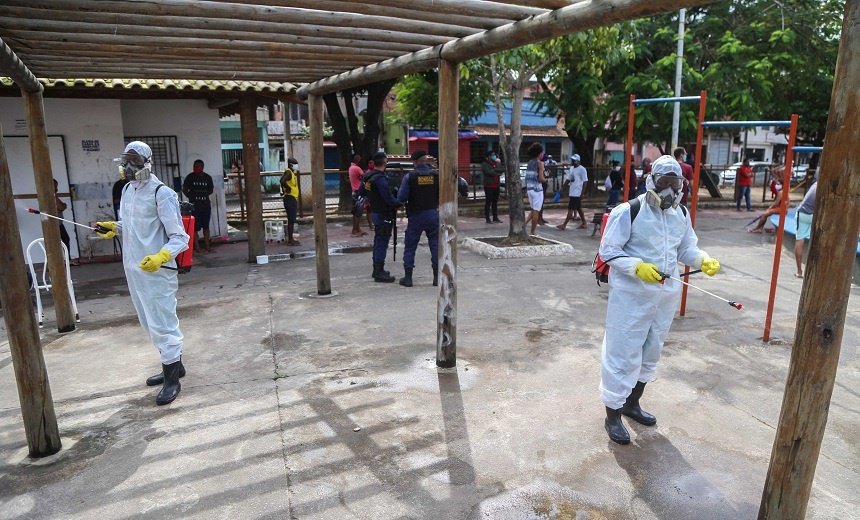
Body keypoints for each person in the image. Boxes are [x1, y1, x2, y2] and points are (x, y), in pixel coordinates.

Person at [598, 155, 721, 445]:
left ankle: (632, 403)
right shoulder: (629, 210)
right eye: (664, 182)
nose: (669, 190)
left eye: (674, 183)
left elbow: (686, 248)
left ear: (681, 185)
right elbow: (608, 251)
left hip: (664, 297)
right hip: (631, 297)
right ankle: (612, 414)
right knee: (622, 352)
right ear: (651, 181)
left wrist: (702, 259)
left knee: (651, 349)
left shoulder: (680, 215)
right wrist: (636, 266)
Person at [95, 141, 190, 406]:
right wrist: (114, 227)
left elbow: (180, 238)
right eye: (125, 161)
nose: (127, 167)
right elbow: (132, 225)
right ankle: (174, 366)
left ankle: (172, 380)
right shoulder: (127, 190)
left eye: (133, 161)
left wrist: (161, 256)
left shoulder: (163, 193)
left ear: (146, 163)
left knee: (162, 323)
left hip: (158, 271)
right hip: (134, 269)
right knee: (148, 322)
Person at [397, 150, 439, 287]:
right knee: (435, 246)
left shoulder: (410, 177)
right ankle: (436, 277)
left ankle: (408, 278)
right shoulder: (436, 175)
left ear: (414, 161)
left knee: (410, 246)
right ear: (425, 160)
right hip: (433, 214)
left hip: (416, 216)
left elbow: (402, 198)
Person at [358, 151, 400, 283]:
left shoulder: (367, 176)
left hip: (375, 213)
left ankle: (377, 269)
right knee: (382, 242)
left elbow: (361, 192)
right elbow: (387, 197)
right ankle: (378, 272)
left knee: (378, 241)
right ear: (385, 162)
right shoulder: (380, 179)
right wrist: (398, 203)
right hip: (383, 213)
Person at [182, 159, 214, 252]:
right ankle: (197, 247)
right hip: (195, 207)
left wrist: (203, 195)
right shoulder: (190, 177)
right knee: (195, 228)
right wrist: (192, 197)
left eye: (197, 166)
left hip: (205, 206)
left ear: (202, 167)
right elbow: (185, 189)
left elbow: (211, 190)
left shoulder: (207, 178)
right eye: (194, 166)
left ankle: (207, 246)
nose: (195, 168)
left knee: (206, 227)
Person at [556, 154, 588, 230]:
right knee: (579, 208)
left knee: (571, 208)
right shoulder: (572, 169)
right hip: (572, 191)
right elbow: (568, 179)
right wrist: (562, 188)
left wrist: (582, 193)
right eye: (572, 160)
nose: (572, 161)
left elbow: (585, 181)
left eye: (574, 160)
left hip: (577, 192)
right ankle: (584, 223)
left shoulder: (582, 169)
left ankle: (564, 225)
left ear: (578, 161)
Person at [794, 178, 817, 278]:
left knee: (800, 240)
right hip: (814, 215)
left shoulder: (815, 185)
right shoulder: (826, 187)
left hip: (803, 214)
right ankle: (814, 270)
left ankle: (799, 271)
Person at [53, 178, 79, 266]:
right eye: (55, 187)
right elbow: (61, 207)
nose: (57, 189)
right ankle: (63, 260)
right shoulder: (51, 196)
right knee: (62, 241)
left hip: (59, 223)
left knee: (65, 240)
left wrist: (63, 206)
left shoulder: (54, 196)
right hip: (55, 224)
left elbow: (62, 206)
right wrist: (63, 206)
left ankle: (66, 259)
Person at [523, 143, 547, 236]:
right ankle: (533, 232)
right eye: (542, 153)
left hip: (530, 189)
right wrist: (546, 179)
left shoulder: (529, 162)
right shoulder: (540, 163)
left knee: (533, 210)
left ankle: (524, 225)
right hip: (537, 190)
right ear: (539, 153)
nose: (543, 154)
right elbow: (541, 178)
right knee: (536, 211)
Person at [280, 158, 300, 245]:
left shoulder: (291, 173)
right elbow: (282, 181)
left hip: (291, 198)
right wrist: (288, 188)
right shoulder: (288, 172)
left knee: (291, 220)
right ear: (291, 165)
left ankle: (291, 239)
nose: (297, 166)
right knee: (291, 220)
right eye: (295, 164)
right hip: (290, 198)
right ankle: (290, 240)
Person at [348, 153, 369, 237]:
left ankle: (357, 229)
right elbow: (365, 176)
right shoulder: (357, 168)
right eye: (358, 158)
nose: (359, 159)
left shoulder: (351, 168)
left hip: (354, 191)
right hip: (358, 191)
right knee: (358, 212)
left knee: (355, 212)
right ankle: (355, 230)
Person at [481, 150, 503, 224]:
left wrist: (495, 169)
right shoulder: (485, 164)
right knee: (488, 202)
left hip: (496, 185)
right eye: (492, 155)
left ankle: (495, 217)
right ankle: (487, 218)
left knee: (495, 202)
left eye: (495, 155)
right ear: (488, 157)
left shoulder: (496, 163)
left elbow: (501, 170)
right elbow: (488, 172)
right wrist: (496, 172)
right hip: (489, 186)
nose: (494, 156)